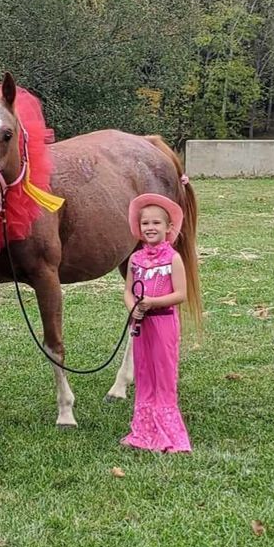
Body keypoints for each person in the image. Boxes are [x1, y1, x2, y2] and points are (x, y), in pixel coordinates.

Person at [121, 193, 192, 453]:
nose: (150, 228)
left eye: (156, 224)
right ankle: (143, 429)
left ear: (168, 228)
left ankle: (168, 432)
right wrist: (133, 309)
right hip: (142, 326)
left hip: (163, 324)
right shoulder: (135, 259)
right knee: (143, 373)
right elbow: (128, 291)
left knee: (163, 374)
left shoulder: (173, 259)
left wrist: (151, 302)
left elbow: (181, 295)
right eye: (145, 224)